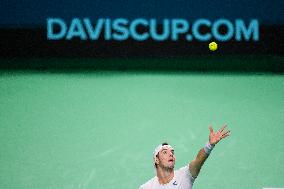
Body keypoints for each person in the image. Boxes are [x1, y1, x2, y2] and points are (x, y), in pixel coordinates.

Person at [139, 125, 230, 189]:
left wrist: (209, 145)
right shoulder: (146, 187)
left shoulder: (185, 175)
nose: (171, 154)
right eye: (165, 152)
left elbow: (199, 160)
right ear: (156, 160)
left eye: (172, 152)